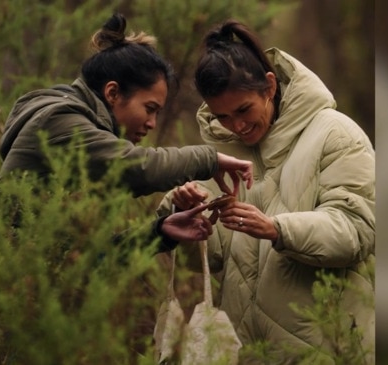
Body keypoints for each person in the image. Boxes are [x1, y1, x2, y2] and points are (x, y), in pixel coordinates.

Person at [157, 20, 375, 363]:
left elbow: (356, 231)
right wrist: (185, 219)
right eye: (223, 117)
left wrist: (278, 229)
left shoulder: (337, 135)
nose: (237, 126)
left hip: (328, 348)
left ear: (269, 86)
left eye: (243, 110)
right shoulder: (221, 155)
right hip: (249, 352)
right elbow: (214, 259)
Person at [0, 13, 252, 247]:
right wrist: (208, 159)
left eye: (157, 113)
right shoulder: (58, 119)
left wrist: (159, 232)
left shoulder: (69, 118)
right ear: (113, 93)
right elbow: (137, 168)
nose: (152, 123)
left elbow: (82, 256)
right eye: (149, 108)